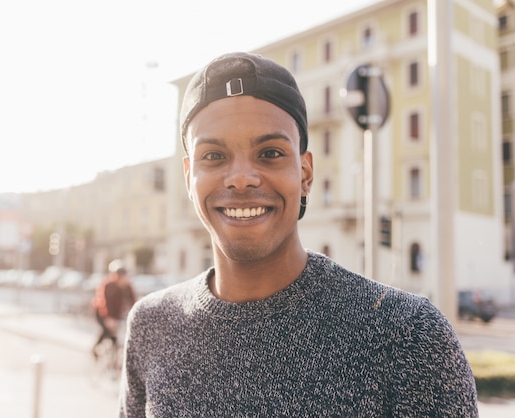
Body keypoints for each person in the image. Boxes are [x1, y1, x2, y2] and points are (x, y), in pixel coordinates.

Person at [119, 52, 478, 416]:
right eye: (213, 156)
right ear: (188, 177)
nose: (241, 177)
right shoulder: (151, 325)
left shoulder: (409, 336)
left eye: (270, 152)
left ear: (305, 174)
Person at [91, 259, 136, 359]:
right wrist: (108, 318)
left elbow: (133, 302)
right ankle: (95, 350)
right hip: (102, 313)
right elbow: (103, 303)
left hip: (116, 313)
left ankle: (114, 361)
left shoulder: (127, 287)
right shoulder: (108, 285)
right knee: (106, 330)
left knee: (116, 337)